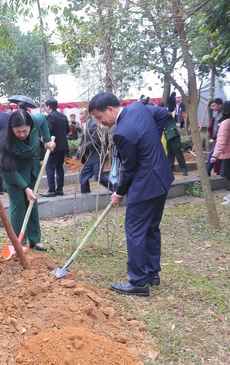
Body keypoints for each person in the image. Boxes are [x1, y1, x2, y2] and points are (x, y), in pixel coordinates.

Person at [88, 92, 173, 297]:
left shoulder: (122, 133)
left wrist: (118, 193)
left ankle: (138, 282)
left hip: (144, 186)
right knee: (152, 228)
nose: (101, 123)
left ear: (110, 109)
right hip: (162, 178)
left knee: (135, 232)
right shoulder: (139, 107)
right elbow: (163, 114)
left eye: (99, 118)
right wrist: (152, 138)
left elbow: (130, 169)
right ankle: (152, 273)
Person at [0, 109, 55, 251]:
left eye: (25, 131)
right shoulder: (5, 142)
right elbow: (9, 169)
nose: (22, 134)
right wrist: (25, 188)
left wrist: (47, 140)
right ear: (11, 129)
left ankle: (35, 240)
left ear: (30, 126)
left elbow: (43, 120)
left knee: (32, 202)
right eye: (18, 131)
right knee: (18, 204)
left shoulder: (35, 120)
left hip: (31, 168)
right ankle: (19, 243)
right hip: (11, 172)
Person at [72, 108, 110, 194]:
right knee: (83, 176)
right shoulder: (87, 125)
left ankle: (118, 189)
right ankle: (85, 194)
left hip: (97, 156)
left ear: (88, 114)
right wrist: (77, 154)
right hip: (90, 157)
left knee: (99, 177)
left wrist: (83, 147)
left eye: (81, 114)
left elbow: (95, 140)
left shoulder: (93, 124)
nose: (80, 116)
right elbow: (83, 141)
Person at [41, 99, 69, 197]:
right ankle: (60, 189)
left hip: (53, 146)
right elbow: (67, 130)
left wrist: (46, 141)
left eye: (45, 106)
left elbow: (47, 131)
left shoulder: (50, 117)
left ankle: (51, 190)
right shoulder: (63, 117)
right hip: (63, 146)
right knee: (59, 168)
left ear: (48, 107)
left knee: (50, 168)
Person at [158, 102, 188, 176]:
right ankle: (169, 170)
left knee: (178, 153)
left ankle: (184, 169)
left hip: (173, 135)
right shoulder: (160, 116)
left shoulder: (166, 113)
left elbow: (169, 114)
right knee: (170, 155)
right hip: (168, 136)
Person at [209, 101, 230, 205]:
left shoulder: (226, 122)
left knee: (229, 175)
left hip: (228, 154)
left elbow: (221, 141)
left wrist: (215, 155)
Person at [206, 98, 224, 176]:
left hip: (221, 139)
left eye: (214, 106)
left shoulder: (224, 115)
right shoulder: (218, 114)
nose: (212, 108)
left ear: (220, 105)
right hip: (218, 138)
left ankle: (207, 171)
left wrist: (214, 138)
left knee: (213, 154)